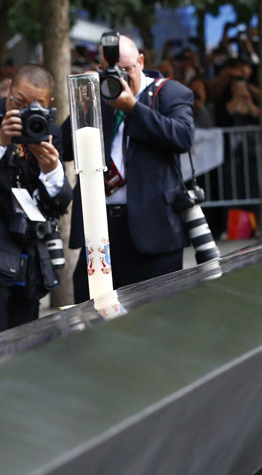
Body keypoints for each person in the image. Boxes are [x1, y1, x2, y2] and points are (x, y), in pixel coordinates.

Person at [62, 33, 195, 301]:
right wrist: (84, 99)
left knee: (156, 318)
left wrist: (135, 108)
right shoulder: (99, 98)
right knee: (93, 316)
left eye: (126, 70)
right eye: (111, 70)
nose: (119, 77)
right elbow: (66, 147)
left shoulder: (168, 93)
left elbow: (182, 137)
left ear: (142, 61)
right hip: (102, 233)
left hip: (152, 231)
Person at [0, 64, 72, 338]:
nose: (25, 111)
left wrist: (51, 170)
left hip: (30, 255)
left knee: (27, 342)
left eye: (35, 105)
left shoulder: (46, 129)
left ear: (49, 104)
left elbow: (60, 204)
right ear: (9, 89)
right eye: (18, 101)